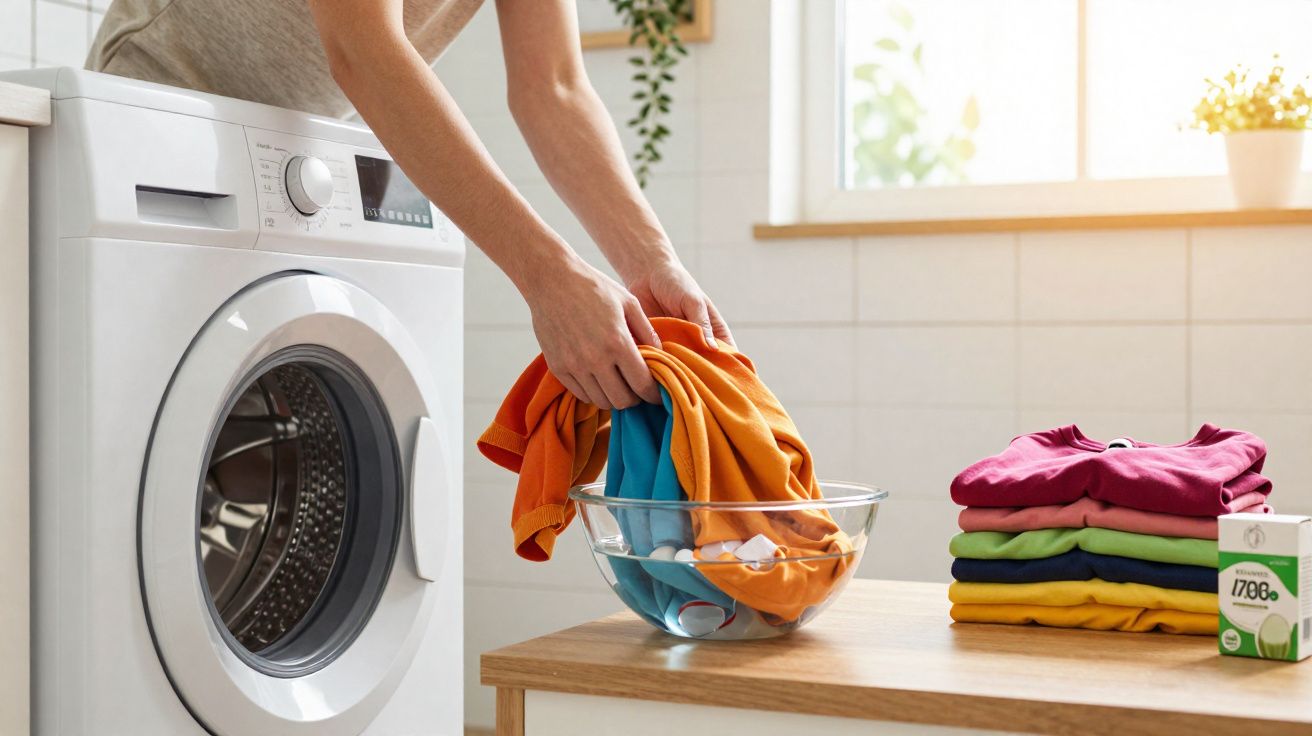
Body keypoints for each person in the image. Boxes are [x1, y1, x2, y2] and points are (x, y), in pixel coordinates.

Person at [87, 0, 733, 411]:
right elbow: (363, 48)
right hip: (160, 99)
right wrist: (548, 277)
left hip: (290, 141)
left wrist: (652, 264)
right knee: (142, 413)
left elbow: (554, 87)